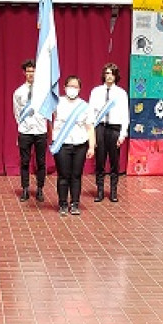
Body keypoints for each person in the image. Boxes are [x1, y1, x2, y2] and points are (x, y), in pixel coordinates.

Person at [51, 75, 95, 216]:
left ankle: (75, 204)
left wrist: (92, 146)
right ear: (64, 87)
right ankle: (63, 203)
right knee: (63, 175)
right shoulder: (56, 103)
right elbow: (48, 119)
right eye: (70, 86)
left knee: (76, 176)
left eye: (75, 87)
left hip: (80, 145)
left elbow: (90, 127)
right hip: (62, 144)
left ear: (80, 89)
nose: (73, 89)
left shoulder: (85, 106)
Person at [89, 63, 128, 202]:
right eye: (107, 73)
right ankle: (100, 190)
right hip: (100, 127)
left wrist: (123, 134)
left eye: (111, 73)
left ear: (116, 76)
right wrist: (91, 133)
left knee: (114, 161)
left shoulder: (121, 93)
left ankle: (113, 191)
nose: (109, 76)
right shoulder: (96, 91)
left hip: (114, 128)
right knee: (100, 161)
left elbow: (125, 114)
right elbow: (91, 112)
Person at [12, 60, 48, 202]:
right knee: (25, 161)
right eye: (28, 71)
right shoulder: (19, 92)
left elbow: (48, 110)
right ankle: (25, 189)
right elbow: (17, 112)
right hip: (25, 131)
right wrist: (22, 127)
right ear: (24, 73)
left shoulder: (43, 91)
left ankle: (40, 189)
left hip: (40, 130)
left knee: (41, 162)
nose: (30, 74)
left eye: (33, 71)